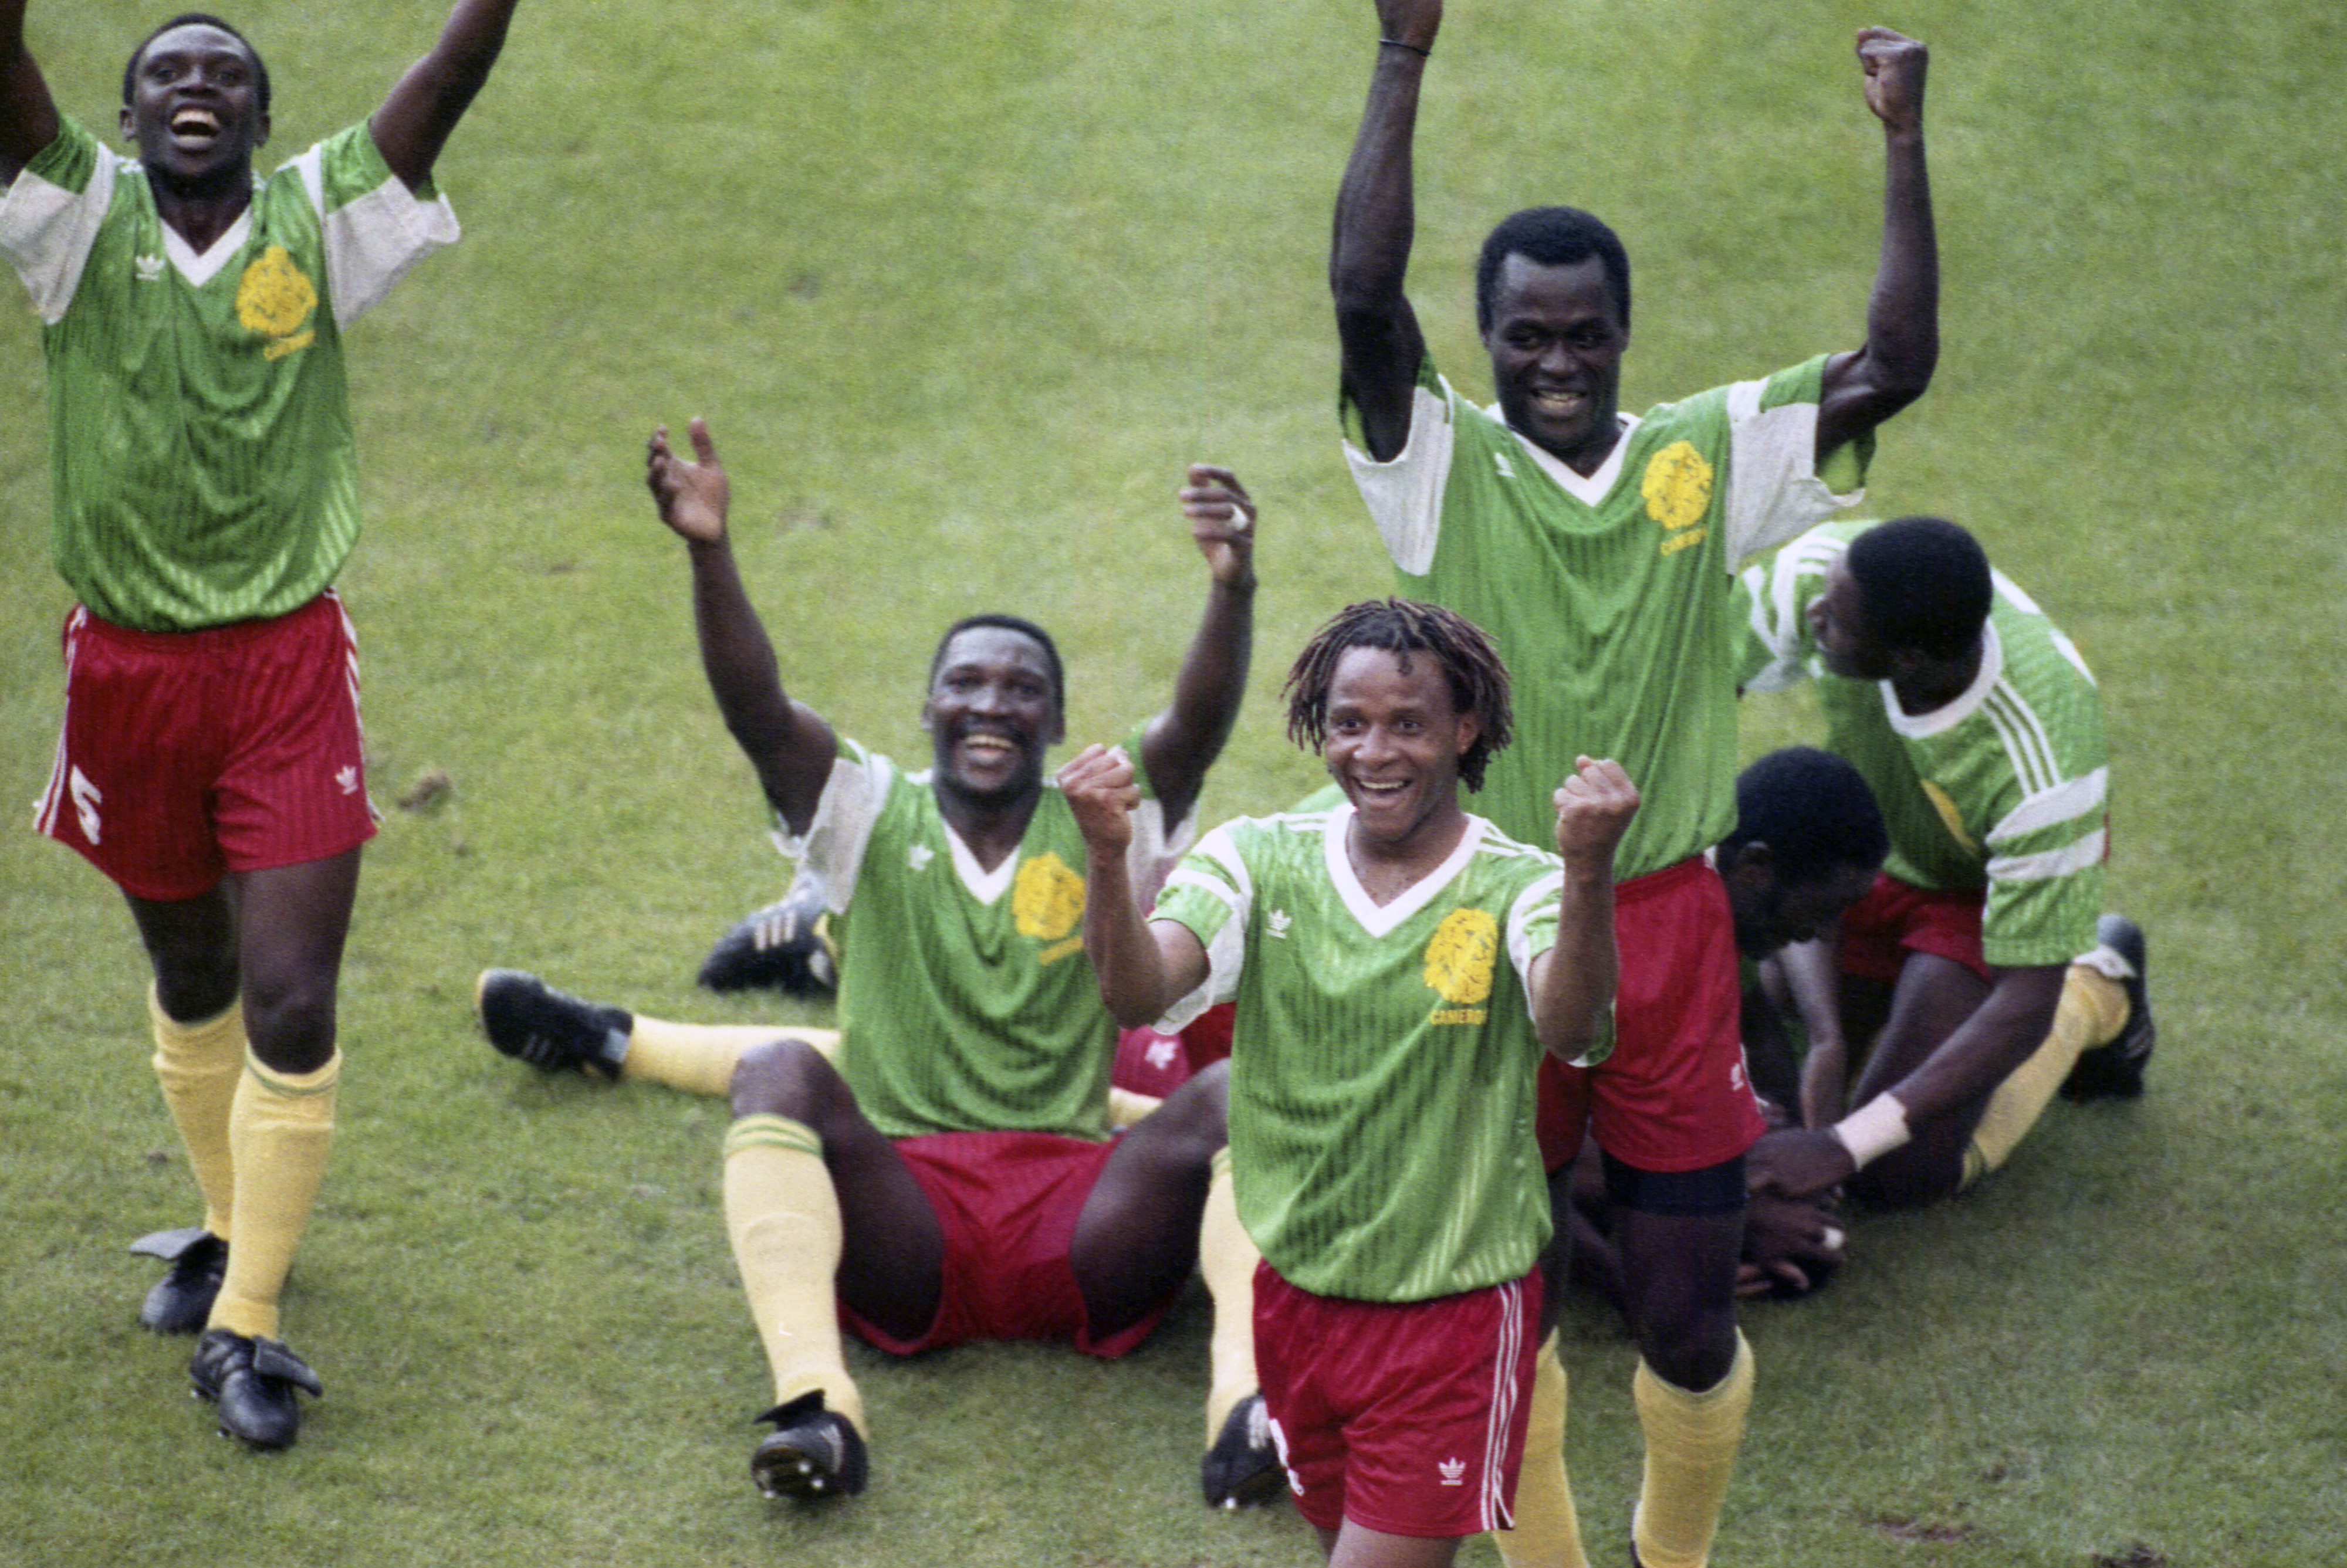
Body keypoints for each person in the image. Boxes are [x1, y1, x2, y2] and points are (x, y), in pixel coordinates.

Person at [1327, 4, 1936, 1563]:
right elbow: (1359, 290)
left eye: (1583, 331)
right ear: (1488, 342)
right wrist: (1402, 56)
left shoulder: (1702, 453)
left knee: (1680, 1319)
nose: (1554, 359)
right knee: (1498, 1308)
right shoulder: (1434, 461)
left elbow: (1898, 359)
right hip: (1489, 922)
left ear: (1623, 332)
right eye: (1524, 333)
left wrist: (1902, 136)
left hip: (1665, 931)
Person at [477, 419, 1274, 1505]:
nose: (991, 702)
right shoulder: (864, 809)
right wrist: (709, 549)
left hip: (1085, 1219)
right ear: (928, 707)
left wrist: (1231, 588)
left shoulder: (1098, 806)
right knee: (778, 1070)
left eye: (1021, 688)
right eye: (967, 682)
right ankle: (819, 1406)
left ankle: (1244, 1403)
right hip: (909, 1218)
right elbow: (758, 711)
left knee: (1234, 1093)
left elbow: (1198, 723)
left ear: (1053, 722)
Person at [1, 0, 522, 1449]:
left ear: (258, 118)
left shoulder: (322, 219)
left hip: (286, 666)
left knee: (291, 996)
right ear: (123, 117)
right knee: (191, 967)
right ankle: (232, 1229)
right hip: (128, 675)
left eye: (226, 75)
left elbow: (453, 71)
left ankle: (246, 1327)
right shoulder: (69, 227)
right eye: (167, 71)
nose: (196, 86)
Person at [1064, 597, 1639, 1568]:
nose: (1376, 751)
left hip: (1452, 1312)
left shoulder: (1524, 885)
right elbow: (1138, 991)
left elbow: (1573, 1026)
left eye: (1408, 723)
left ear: (1465, 728)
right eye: (1349, 723)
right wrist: (1110, 856)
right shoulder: (1256, 858)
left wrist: (1589, 872)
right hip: (1295, 1300)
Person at [1732, 517, 2153, 1210]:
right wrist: (1829, 1039)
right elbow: (1697, 688)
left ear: (1906, 659)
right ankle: (1880, 1001)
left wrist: (1843, 1144)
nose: (1815, 616)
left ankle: (2098, 982)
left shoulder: (2044, 764)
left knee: (1890, 1171)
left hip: (1975, 902)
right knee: (1778, 1003)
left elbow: (2023, 1001)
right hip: (1864, 862)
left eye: (1836, 623)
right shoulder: (1824, 573)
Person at [1567, 747, 1889, 1312]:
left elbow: (1757, 1022)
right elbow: (1511, 1144)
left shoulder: (1720, 898)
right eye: (1821, 908)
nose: (1818, 933)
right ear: (1757, 867)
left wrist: (1783, 1162)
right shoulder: (1639, 932)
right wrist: (1636, 1281)